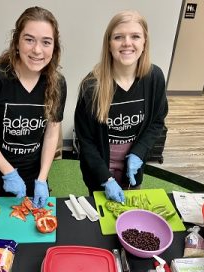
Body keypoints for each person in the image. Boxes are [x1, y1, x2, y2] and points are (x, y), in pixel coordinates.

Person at [0, 6, 67, 208]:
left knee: (37, 229)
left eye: (46, 42)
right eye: (29, 39)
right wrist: (9, 172)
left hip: (35, 172)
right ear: (16, 42)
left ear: (54, 48)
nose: (37, 50)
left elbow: (51, 133)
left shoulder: (57, 83)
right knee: (3, 228)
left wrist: (42, 179)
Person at [74, 10, 168, 203]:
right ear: (109, 44)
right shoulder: (91, 86)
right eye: (118, 37)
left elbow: (157, 122)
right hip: (99, 172)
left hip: (134, 169)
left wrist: (138, 153)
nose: (127, 43)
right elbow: (86, 141)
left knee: (131, 215)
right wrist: (105, 179)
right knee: (101, 220)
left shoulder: (154, 78)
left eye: (135, 36)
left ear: (144, 42)